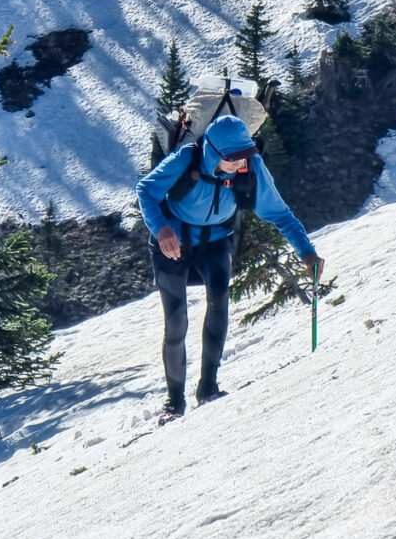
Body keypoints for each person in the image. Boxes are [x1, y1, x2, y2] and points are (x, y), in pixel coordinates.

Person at [136, 114, 323, 425]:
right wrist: (161, 230)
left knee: (219, 304)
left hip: (217, 240)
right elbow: (146, 190)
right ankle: (174, 401)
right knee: (176, 320)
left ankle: (208, 388)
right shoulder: (186, 158)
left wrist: (307, 252)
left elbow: (279, 213)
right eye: (232, 158)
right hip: (173, 240)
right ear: (212, 150)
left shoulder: (251, 167)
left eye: (244, 156)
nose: (239, 164)